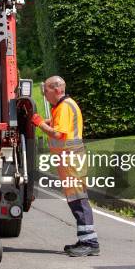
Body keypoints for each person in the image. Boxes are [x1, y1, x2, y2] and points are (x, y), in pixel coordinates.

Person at [31, 76, 100, 257]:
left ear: (56, 90)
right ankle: (86, 239)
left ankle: (90, 242)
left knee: (78, 200)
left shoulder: (64, 107)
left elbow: (59, 134)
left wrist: (39, 124)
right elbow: (56, 125)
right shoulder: (64, 106)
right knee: (76, 200)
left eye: (45, 91)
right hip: (70, 160)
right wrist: (41, 121)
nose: (44, 95)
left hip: (71, 161)